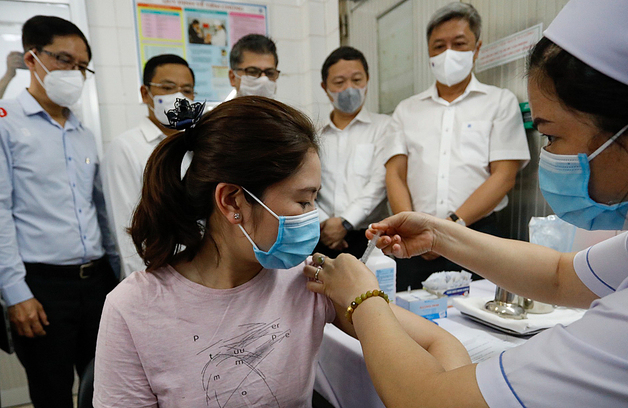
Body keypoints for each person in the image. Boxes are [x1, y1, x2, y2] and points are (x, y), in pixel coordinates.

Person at [304, 0, 628, 406]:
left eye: (552, 138)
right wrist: (438, 233)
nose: (549, 158)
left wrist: (363, 297)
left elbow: (430, 399)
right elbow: (558, 275)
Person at [93, 96, 464, 407]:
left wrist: (366, 298)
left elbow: (439, 343)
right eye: (303, 202)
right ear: (232, 201)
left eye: (315, 199)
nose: (313, 218)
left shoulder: (311, 281)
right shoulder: (133, 310)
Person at [0, 16, 119, 408]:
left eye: (82, 66)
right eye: (65, 60)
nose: (75, 73)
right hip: (42, 286)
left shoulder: (82, 130)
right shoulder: (7, 124)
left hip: (96, 281)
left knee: (106, 386)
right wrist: (16, 293)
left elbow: (97, 209)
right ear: (32, 59)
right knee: (52, 393)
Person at [383, 3, 530, 290]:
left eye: (459, 43)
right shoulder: (406, 110)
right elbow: (395, 174)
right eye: (439, 45)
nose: (448, 52)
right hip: (413, 243)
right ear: (428, 52)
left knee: (478, 322)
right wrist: (412, 228)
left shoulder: (499, 102)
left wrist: (448, 229)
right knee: (411, 320)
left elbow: (504, 175)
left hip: (476, 237)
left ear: (476, 49)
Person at [103, 54, 195, 278]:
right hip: (155, 277)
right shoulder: (125, 148)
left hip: (199, 272)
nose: (178, 97)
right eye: (168, 88)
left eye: (186, 90)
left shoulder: (197, 144)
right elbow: (127, 232)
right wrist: (147, 288)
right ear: (146, 94)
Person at [315, 46, 391, 259]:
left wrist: (345, 222)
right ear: (325, 86)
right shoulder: (313, 134)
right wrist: (323, 223)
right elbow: (302, 185)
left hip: (368, 237)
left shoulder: (385, 127)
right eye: (339, 83)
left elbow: (380, 183)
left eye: (357, 80)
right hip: (321, 237)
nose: (349, 88)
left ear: (367, 80)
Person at [227, 34, 279, 99]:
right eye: (253, 72)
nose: (263, 80)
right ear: (232, 77)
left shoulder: (285, 109)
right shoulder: (223, 109)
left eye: (269, 73)